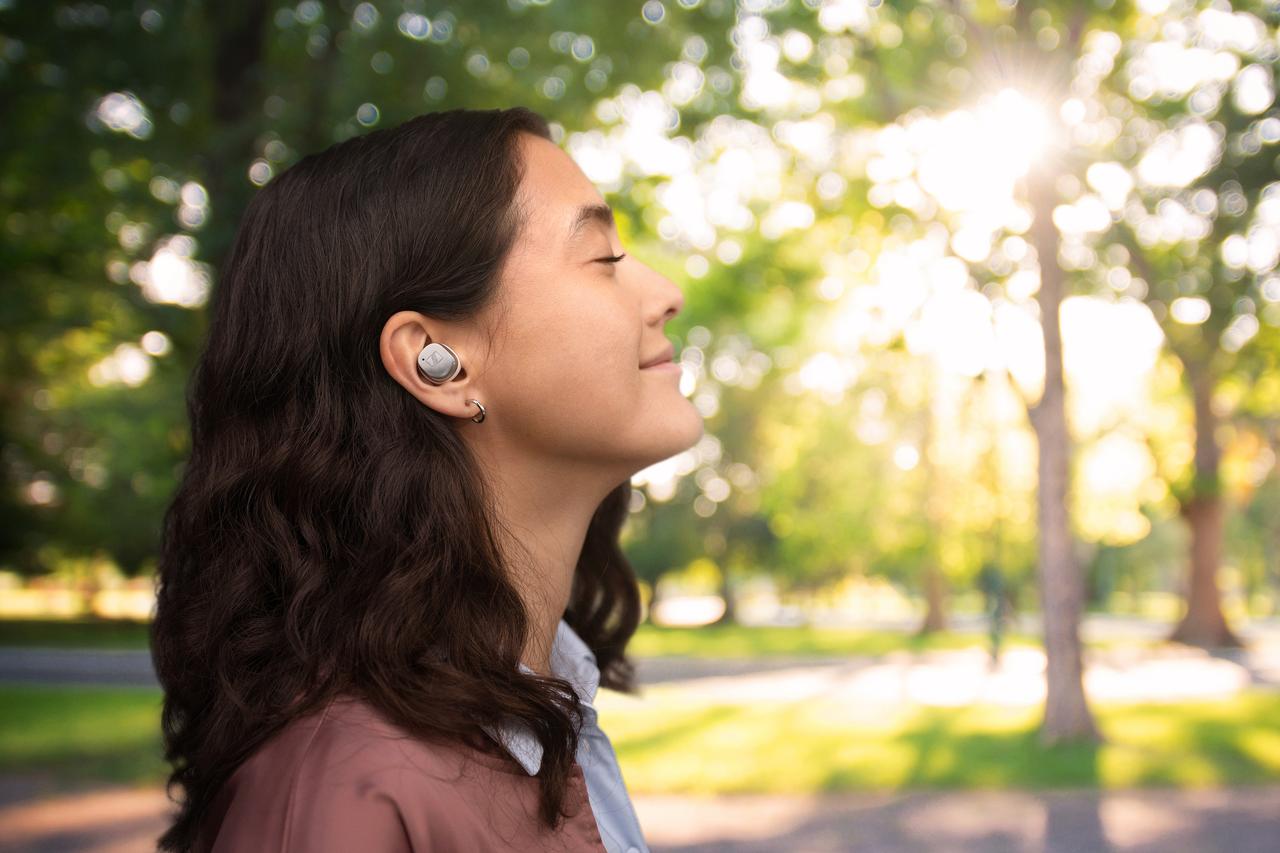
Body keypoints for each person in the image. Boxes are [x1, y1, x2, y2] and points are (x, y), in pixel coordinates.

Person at [150, 106, 703, 852]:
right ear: (435, 361)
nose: (665, 293)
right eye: (603, 257)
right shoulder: (346, 793)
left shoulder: (541, 709)